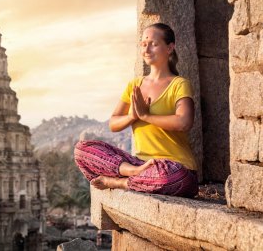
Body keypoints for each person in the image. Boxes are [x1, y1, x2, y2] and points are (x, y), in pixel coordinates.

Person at [74, 23, 198, 197]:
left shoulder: (179, 84)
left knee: (170, 177)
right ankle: (134, 173)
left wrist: (146, 115)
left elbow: (184, 122)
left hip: (174, 168)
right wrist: (132, 116)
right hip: (140, 164)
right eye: (143, 44)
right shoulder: (135, 85)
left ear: (170, 48)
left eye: (153, 44)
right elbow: (113, 123)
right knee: (82, 149)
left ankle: (120, 182)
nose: (146, 49)